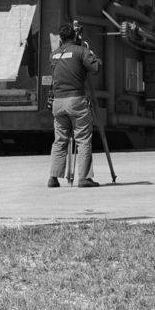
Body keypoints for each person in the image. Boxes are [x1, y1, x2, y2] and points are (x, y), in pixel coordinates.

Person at [47, 22, 102, 188]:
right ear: (75, 35)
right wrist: (90, 51)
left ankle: (53, 177)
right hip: (76, 101)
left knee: (60, 140)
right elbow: (96, 67)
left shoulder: (54, 55)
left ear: (61, 38)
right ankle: (84, 178)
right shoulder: (81, 52)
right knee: (83, 139)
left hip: (58, 102)